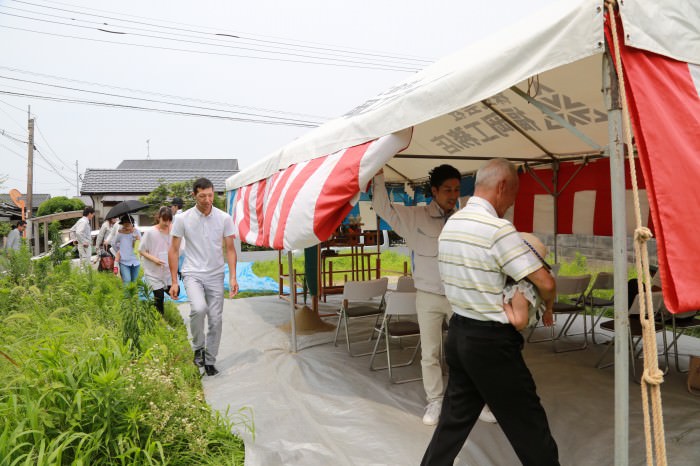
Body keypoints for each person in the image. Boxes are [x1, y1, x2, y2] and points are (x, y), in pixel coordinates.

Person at [422, 159, 558, 466]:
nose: (511, 204)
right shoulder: (498, 229)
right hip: (491, 342)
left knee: (453, 421)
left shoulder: (451, 223)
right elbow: (544, 281)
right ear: (502, 187)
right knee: (528, 423)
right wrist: (548, 300)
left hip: (458, 333)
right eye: (513, 196)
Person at [372, 164, 498, 426]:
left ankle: (476, 401)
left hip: (459, 296)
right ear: (434, 191)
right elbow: (384, 208)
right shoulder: (415, 217)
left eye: (456, 189)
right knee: (430, 352)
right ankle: (436, 401)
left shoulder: (464, 218)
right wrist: (378, 174)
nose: (453, 195)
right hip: (428, 296)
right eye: (447, 190)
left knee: (468, 350)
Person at [169, 178, 238, 377]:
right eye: (202, 196)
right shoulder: (183, 219)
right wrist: (174, 281)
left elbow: (231, 249)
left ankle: (210, 360)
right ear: (194, 196)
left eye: (210, 195)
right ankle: (198, 347)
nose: (207, 200)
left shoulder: (224, 218)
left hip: (216, 274)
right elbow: (173, 250)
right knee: (199, 309)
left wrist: (233, 277)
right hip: (192, 273)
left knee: (216, 320)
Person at [503, 232, 551, 331]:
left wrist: (502, 303)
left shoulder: (520, 289)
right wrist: (549, 310)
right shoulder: (536, 282)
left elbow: (519, 323)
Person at [139, 206, 173, 315]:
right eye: (164, 220)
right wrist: (154, 259)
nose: (166, 223)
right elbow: (141, 250)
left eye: (169, 220)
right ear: (159, 218)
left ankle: (155, 313)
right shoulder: (150, 232)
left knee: (174, 292)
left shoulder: (173, 231)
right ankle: (160, 321)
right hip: (153, 270)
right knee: (159, 297)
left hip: (167, 270)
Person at [113, 214, 142, 284]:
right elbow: (113, 243)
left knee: (134, 282)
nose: (126, 227)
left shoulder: (137, 232)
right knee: (127, 281)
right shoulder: (120, 233)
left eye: (128, 225)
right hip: (124, 262)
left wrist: (137, 239)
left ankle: (133, 295)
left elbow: (141, 245)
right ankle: (126, 295)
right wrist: (119, 251)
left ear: (132, 224)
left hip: (135, 261)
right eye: (124, 225)